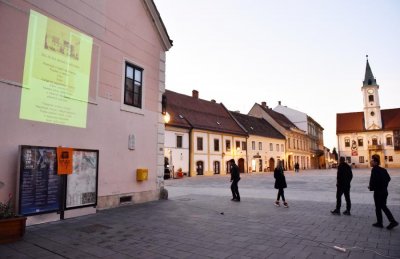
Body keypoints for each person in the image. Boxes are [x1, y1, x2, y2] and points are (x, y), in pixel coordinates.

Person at [368, 155, 398, 230]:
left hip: (378, 192)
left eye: (372, 161)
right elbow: (388, 178)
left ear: (375, 162)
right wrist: (384, 186)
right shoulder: (383, 169)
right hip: (384, 191)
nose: (370, 162)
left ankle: (381, 223)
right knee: (383, 206)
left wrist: (371, 187)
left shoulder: (374, 170)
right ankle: (391, 221)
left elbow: (374, 181)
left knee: (378, 207)